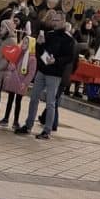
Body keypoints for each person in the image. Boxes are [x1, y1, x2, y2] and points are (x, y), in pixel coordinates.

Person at [16, 10, 76, 140]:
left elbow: (69, 57)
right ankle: (28, 125)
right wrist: (40, 43)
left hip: (55, 74)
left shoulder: (68, 39)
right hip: (42, 70)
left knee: (50, 102)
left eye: (57, 20)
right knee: (33, 98)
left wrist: (56, 61)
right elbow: (40, 52)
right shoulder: (49, 34)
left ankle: (47, 130)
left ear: (63, 21)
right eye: (53, 20)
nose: (54, 22)